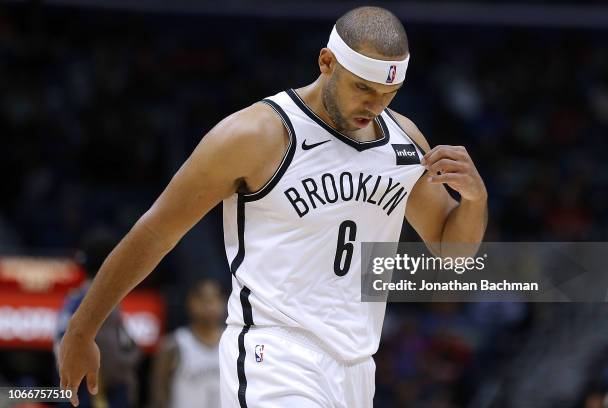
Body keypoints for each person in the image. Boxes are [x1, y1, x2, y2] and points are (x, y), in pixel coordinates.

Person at [58, 6, 487, 408]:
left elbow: (453, 257)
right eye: (363, 88)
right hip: (275, 354)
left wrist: (473, 199)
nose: (375, 105)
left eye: (389, 93)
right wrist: (82, 327)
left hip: (357, 367)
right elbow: (156, 231)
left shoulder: (403, 141)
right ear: (327, 62)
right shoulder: (257, 134)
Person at [55, 226, 141, 407]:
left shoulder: (74, 298)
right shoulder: (100, 301)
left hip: (83, 384)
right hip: (94, 388)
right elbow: (116, 352)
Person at [149, 279, 225, 408]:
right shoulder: (173, 344)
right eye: (204, 300)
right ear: (191, 302)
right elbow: (158, 396)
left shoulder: (233, 342)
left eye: (215, 300)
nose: (210, 307)